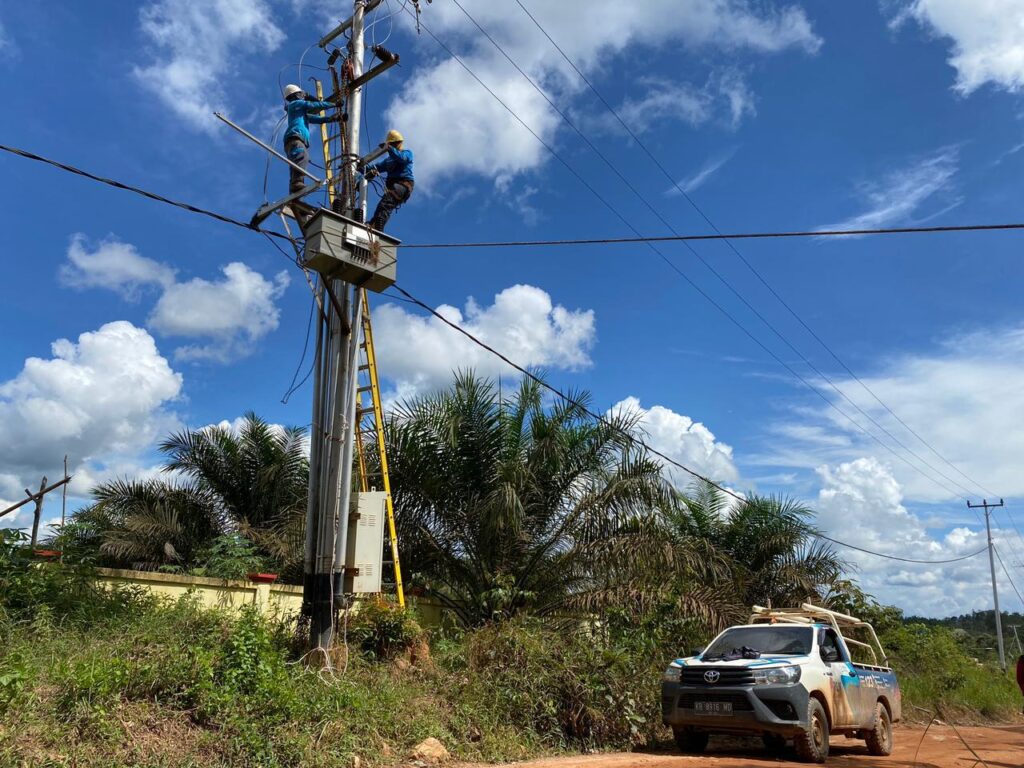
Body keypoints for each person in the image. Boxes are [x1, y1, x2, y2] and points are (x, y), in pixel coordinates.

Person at [282, 84, 340, 197]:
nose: (303, 96)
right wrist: (334, 104)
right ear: (296, 95)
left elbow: (315, 118)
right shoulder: (296, 104)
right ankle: (297, 184)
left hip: (292, 140)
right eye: (301, 94)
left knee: (296, 165)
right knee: (302, 157)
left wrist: (332, 119)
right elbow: (314, 105)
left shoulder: (298, 112)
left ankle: (295, 194)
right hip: (295, 138)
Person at [364, 130, 414, 232]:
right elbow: (374, 167)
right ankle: (374, 225)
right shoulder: (388, 161)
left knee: (386, 202)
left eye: (395, 144)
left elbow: (402, 159)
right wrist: (359, 166)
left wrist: (389, 148)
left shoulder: (407, 153)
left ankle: (378, 227)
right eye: (392, 144)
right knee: (383, 205)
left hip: (404, 184)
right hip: (394, 187)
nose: (394, 146)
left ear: (400, 142)